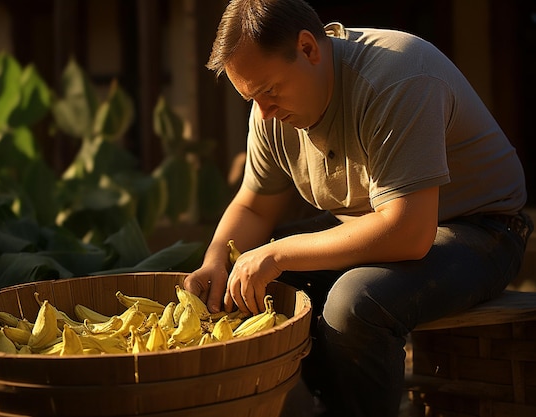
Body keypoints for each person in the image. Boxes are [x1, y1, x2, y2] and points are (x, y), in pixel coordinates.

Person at [184, 0, 533, 416]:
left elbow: (408, 230)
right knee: (261, 276)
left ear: (309, 48)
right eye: (250, 98)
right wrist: (215, 261)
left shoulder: (396, 76)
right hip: (375, 223)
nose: (264, 112)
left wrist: (277, 253)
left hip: (481, 229)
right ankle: (330, 405)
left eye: (269, 91)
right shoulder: (269, 113)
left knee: (354, 303)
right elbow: (255, 208)